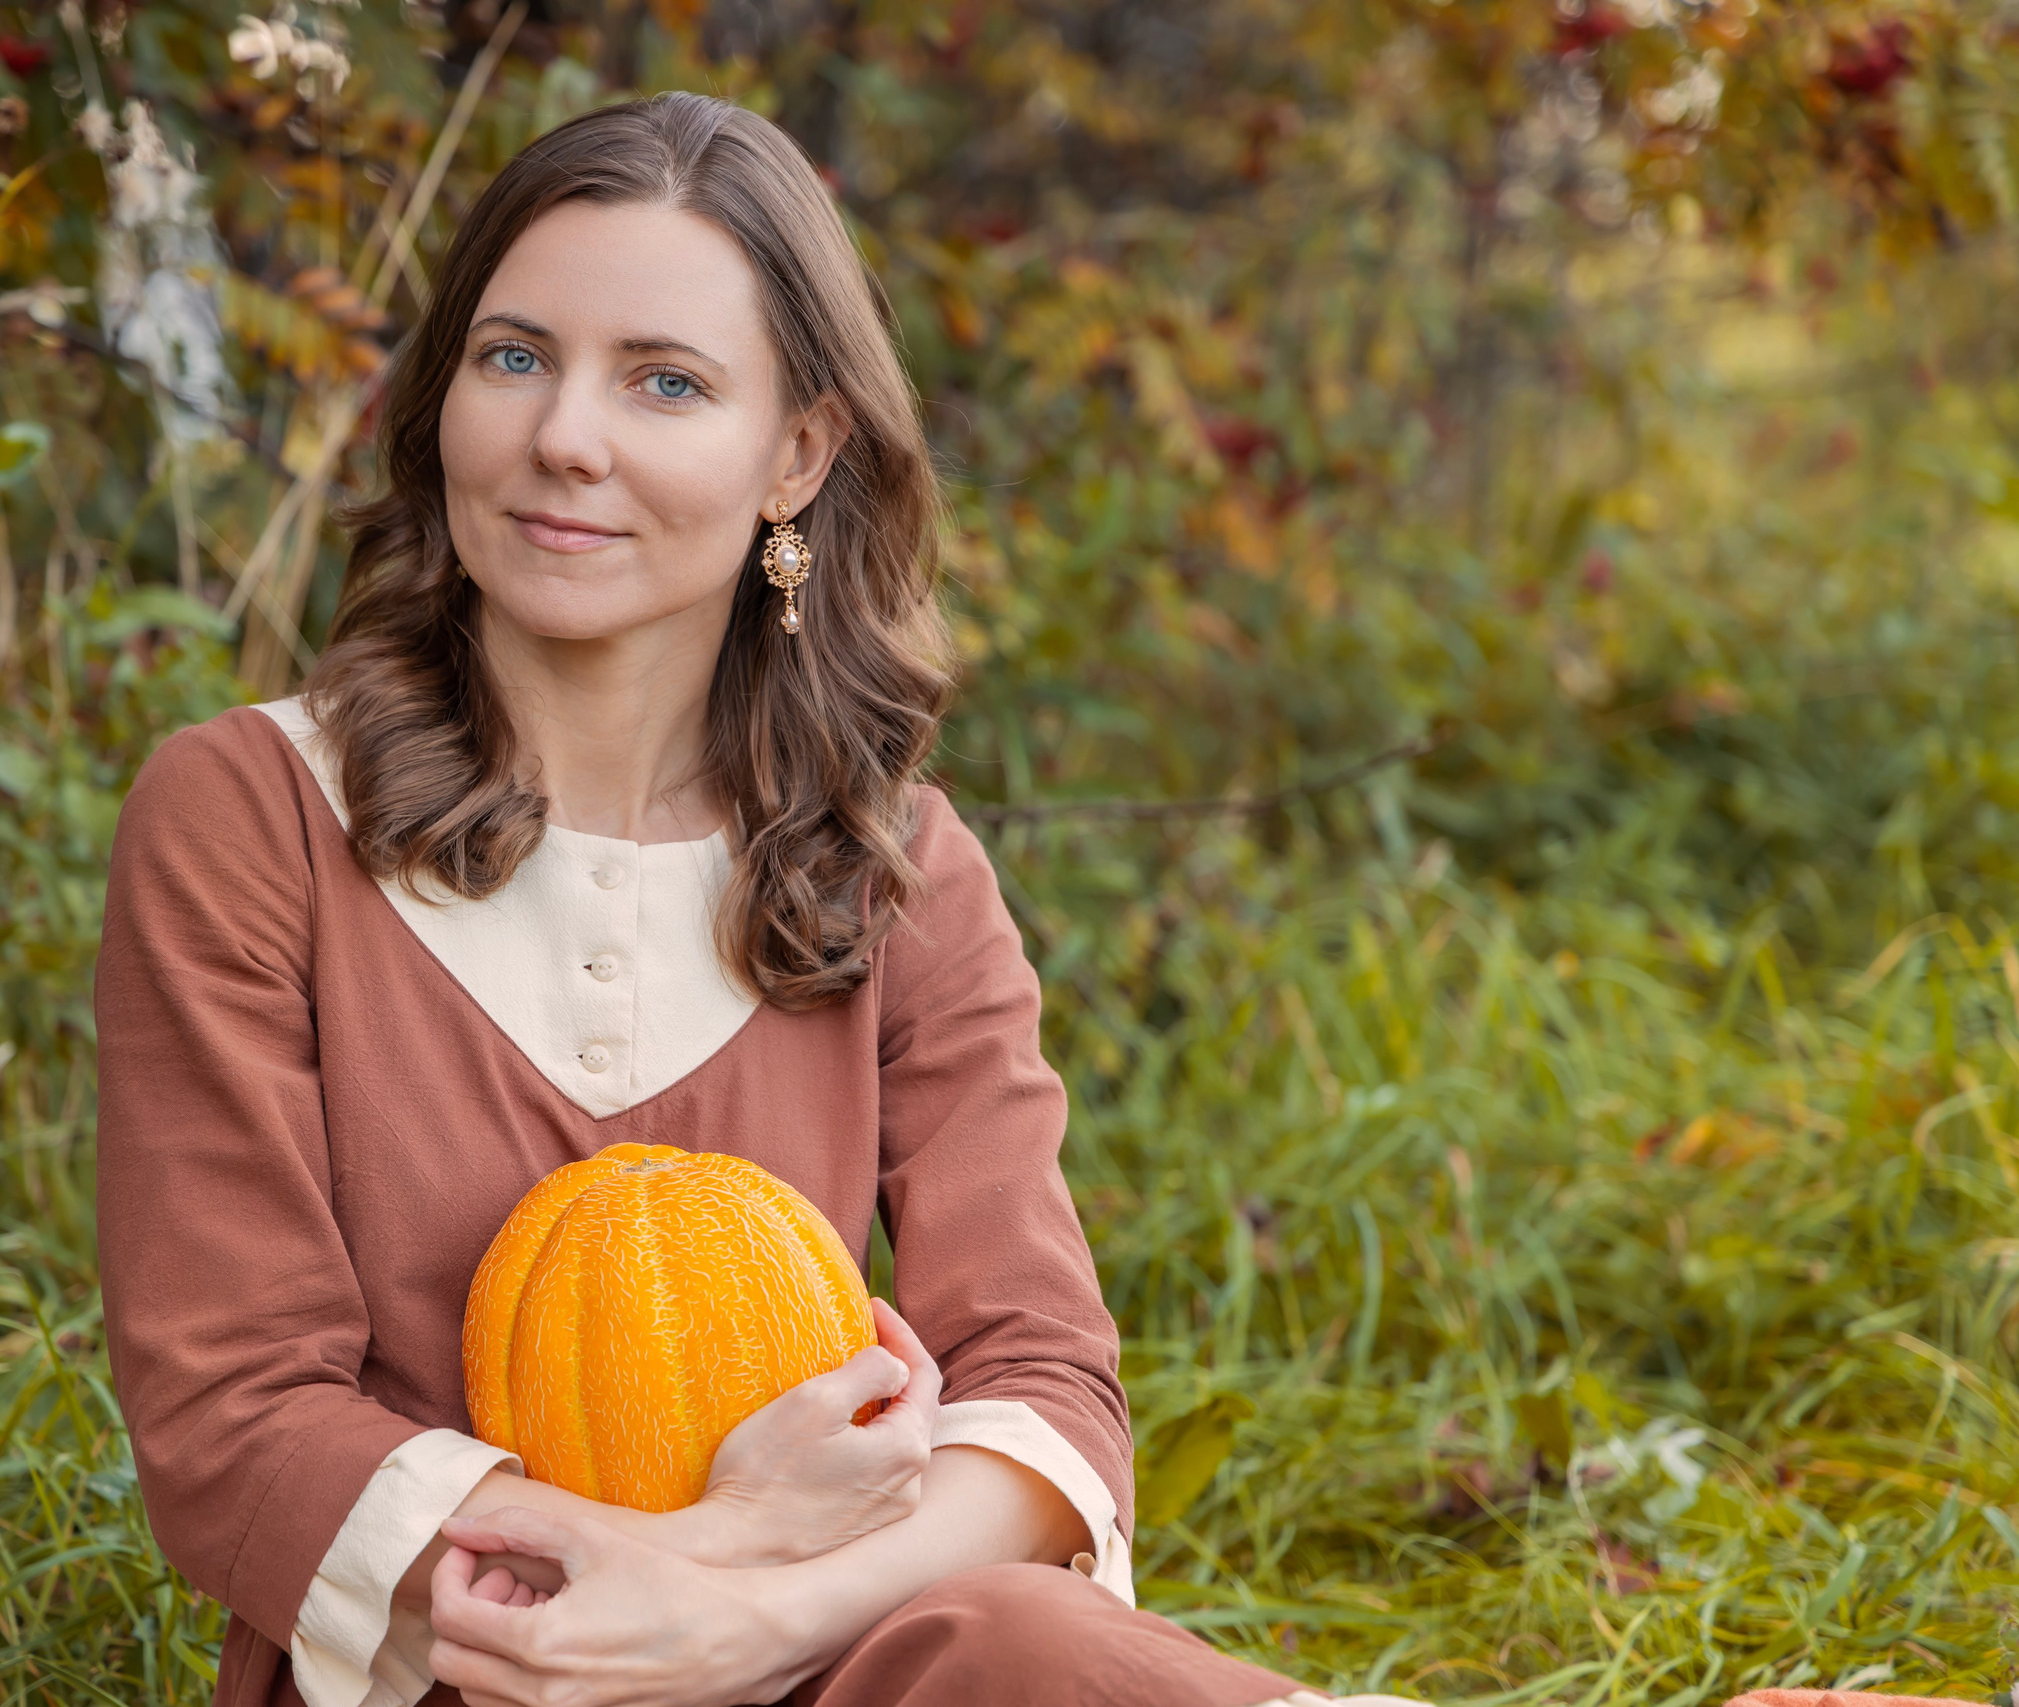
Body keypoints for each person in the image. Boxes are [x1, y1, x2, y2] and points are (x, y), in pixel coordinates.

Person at [95, 90, 1422, 1707]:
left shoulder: (899, 869)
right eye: (514, 358)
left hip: (820, 1661)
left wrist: (756, 1619)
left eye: (664, 381)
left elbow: (1041, 1384)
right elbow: (239, 1424)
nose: (564, 435)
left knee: (1025, 1646)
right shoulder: (253, 819)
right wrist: (716, 1543)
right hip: (466, 1672)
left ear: (797, 453)